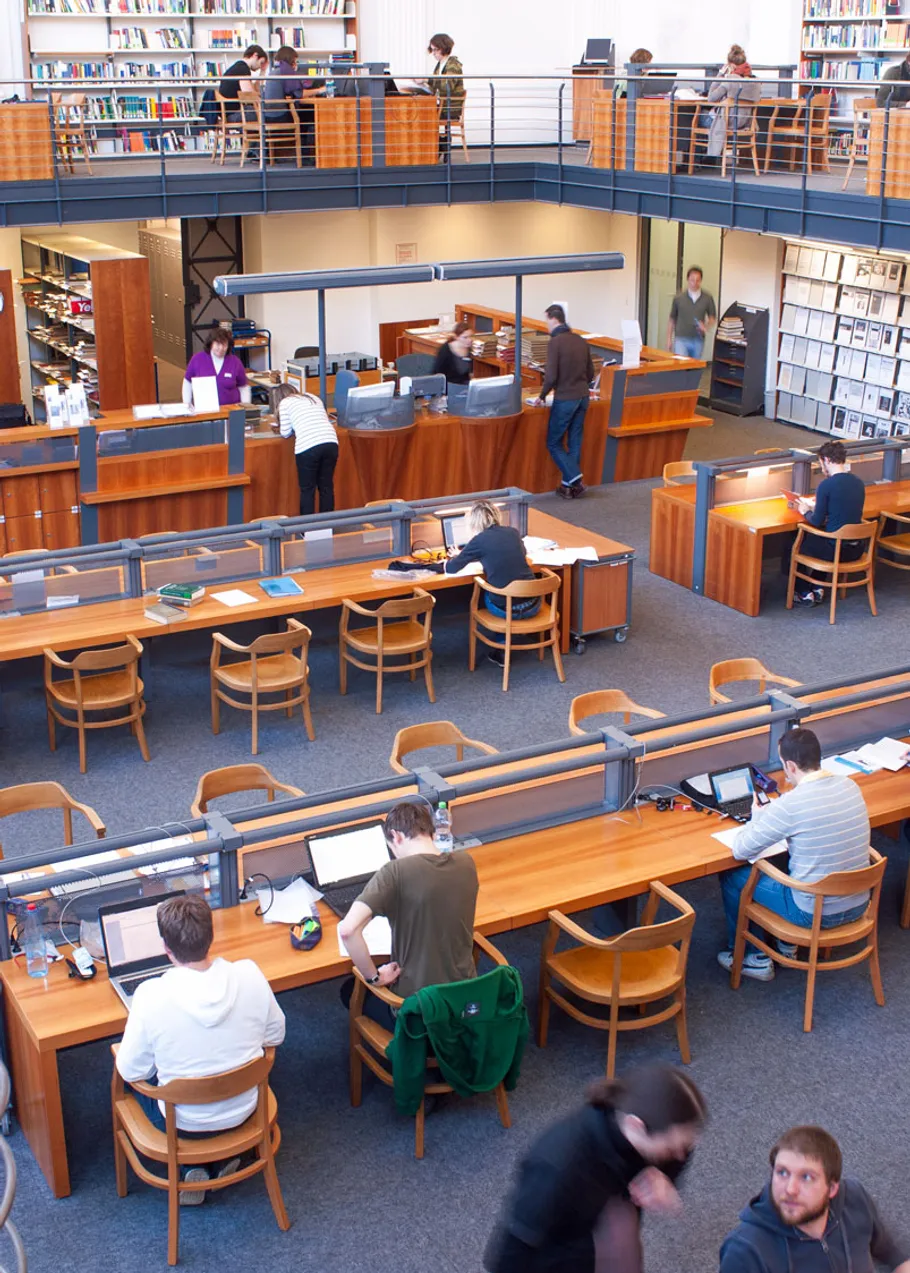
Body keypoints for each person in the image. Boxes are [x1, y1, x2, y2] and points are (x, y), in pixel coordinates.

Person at [115, 893, 286, 1202]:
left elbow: (131, 1071)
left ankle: (191, 1171)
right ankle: (219, 1162)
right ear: (212, 936)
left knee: (145, 1083)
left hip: (184, 1125)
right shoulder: (249, 974)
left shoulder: (151, 995)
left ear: (166, 948)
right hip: (245, 1108)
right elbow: (276, 1035)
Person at [484, 1064, 707, 1273]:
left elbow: (682, 1150)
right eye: (671, 1148)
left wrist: (666, 1177)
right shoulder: (557, 1164)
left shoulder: (656, 1124)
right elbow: (512, 1251)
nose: (679, 1155)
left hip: (610, 1247)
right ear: (636, 1126)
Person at [717, 726, 871, 982]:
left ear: (790, 766)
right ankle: (787, 946)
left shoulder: (791, 804)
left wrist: (757, 818)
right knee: (790, 860)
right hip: (859, 904)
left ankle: (753, 958)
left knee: (734, 876)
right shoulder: (850, 785)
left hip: (812, 913)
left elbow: (741, 849)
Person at [338, 800, 478, 1027]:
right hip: (464, 1004)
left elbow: (347, 930)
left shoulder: (394, 872)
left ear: (397, 836)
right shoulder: (466, 862)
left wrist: (374, 977)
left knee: (349, 989)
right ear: (430, 831)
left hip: (416, 1013)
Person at [720, 1125, 910, 1272]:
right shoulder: (745, 1251)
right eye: (782, 1172)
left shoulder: (854, 1200)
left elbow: (894, 1256)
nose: (790, 1189)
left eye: (806, 1177)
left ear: (832, 1189)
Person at [440, 499, 537, 667]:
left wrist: (461, 555)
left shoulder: (479, 540)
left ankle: (501, 645)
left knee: (487, 595)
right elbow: (521, 553)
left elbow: (452, 568)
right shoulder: (513, 532)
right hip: (533, 604)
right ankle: (504, 642)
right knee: (506, 590)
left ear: (473, 522)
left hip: (507, 609)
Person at [790, 438, 866, 606]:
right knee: (824, 540)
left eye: (820, 463)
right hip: (856, 549)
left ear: (826, 460)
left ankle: (803, 592)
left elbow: (816, 521)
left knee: (794, 542)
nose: (821, 468)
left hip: (835, 551)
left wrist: (805, 510)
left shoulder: (827, 485)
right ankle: (818, 585)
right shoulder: (859, 483)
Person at [534, 303, 595, 500]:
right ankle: (568, 487)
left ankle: (575, 479)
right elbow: (591, 372)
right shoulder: (580, 340)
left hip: (565, 398)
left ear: (553, 318)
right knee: (575, 441)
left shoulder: (555, 343)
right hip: (583, 397)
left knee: (553, 442)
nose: (546, 326)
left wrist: (541, 396)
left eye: (547, 321)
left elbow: (551, 376)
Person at [270, 382, 338, 514]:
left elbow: (285, 433)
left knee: (308, 489)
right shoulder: (312, 397)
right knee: (326, 487)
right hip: (331, 441)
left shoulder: (285, 403)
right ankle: (327, 526)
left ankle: (308, 530)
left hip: (308, 446)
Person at [697, 45, 762, 162]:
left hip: (727, 123)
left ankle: (705, 159)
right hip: (744, 123)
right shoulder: (755, 82)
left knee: (698, 115)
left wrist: (721, 73)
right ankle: (710, 156)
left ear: (730, 65)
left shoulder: (730, 80)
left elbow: (711, 98)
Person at [262, 46, 323, 164]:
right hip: (278, 116)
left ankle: (305, 155)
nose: (296, 64)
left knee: (304, 113)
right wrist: (320, 90)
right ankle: (305, 157)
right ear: (291, 60)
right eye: (295, 61)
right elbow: (299, 94)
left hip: (268, 115)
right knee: (308, 116)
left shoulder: (275, 72)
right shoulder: (285, 73)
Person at [182, 329, 251, 409]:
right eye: (218, 344)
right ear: (211, 344)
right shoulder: (197, 359)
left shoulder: (235, 362)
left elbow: (244, 387)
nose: (221, 348)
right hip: (204, 410)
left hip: (231, 410)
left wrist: (246, 408)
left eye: (224, 345)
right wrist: (187, 404)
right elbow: (187, 382)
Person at [426, 34, 465, 162]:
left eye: (436, 50)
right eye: (432, 50)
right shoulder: (440, 65)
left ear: (444, 48)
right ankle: (441, 143)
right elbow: (435, 84)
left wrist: (428, 80)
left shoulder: (453, 64)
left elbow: (447, 85)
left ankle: (441, 144)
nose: (434, 53)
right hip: (443, 104)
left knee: (423, 115)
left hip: (451, 107)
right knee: (422, 111)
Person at [667, 266, 716, 360]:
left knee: (694, 368)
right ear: (688, 279)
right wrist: (669, 339)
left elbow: (712, 317)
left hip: (698, 339)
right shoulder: (679, 298)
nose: (694, 283)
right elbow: (672, 319)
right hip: (681, 338)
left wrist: (706, 326)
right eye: (692, 280)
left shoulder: (707, 298)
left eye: (698, 280)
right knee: (681, 366)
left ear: (701, 281)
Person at [218, 44, 268, 114]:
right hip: (235, 113)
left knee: (266, 112)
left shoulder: (238, 67)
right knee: (269, 114)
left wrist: (263, 71)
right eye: (261, 63)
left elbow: (255, 89)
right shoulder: (242, 69)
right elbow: (249, 95)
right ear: (255, 55)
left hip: (230, 112)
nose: (260, 66)